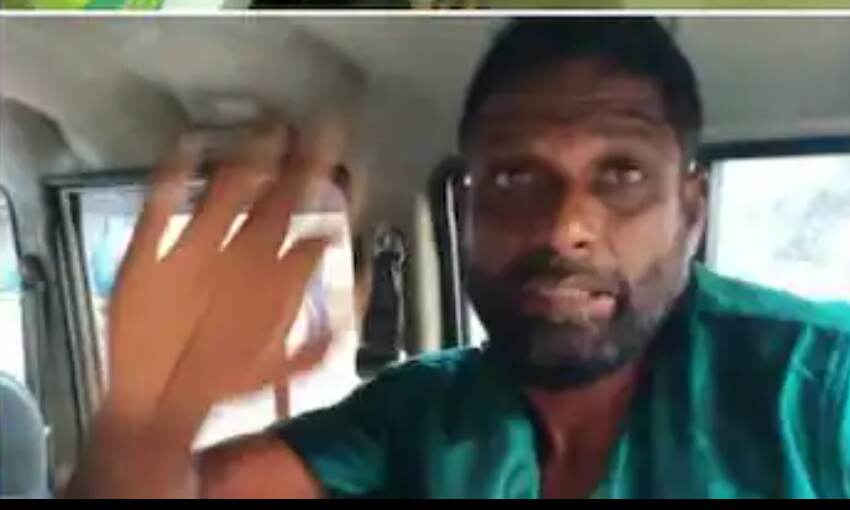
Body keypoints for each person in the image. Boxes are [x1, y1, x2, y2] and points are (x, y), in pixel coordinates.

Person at [65, 18, 850, 499]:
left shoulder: (820, 387)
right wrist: (146, 418)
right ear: (466, 210)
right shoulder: (418, 414)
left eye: (620, 175)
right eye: (515, 177)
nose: (566, 228)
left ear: (692, 210)